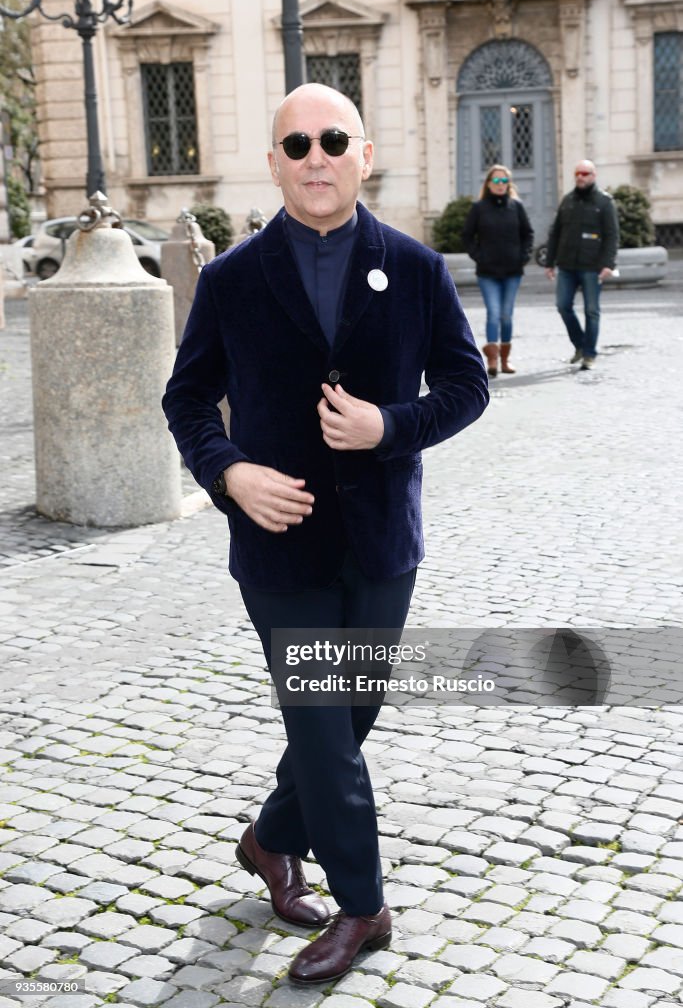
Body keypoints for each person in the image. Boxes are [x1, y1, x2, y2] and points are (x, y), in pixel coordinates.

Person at [162, 83, 489, 985]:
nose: (316, 157)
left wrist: (390, 427)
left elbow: (466, 387)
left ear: (363, 155)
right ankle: (363, 906)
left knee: (347, 716)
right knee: (319, 720)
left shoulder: (416, 268)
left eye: (332, 140)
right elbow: (186, 397)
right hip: (279, 549)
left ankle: (270, 840)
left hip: (382, 539)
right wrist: (228, 473)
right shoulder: (231, 279)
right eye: (296, 144)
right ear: (273, 163)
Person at [545, 159, 619, 370]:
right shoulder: (568, 200)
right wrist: (550, 263)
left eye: (585, 173)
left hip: (592, 266)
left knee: (592, 311)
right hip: (567, 265)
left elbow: (612, 236)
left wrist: (608, 264)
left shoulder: (605, 202)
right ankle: (580, 345)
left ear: (593, 176)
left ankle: (589, 354)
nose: (580, 177)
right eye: (577, 173)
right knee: (563, 306)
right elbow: (556, 233)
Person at [462, 164, 534, 377]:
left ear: (508, 184)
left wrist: (523, 257)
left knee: (507, 315)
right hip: (487, 272)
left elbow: (528, 234)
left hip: (512, 271)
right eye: (496, 181)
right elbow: (467, 236)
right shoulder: (479, 208)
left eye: (504, 181)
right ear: (489, 184)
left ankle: (505, 358)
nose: (500, 185)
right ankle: (492, 358)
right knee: (494, 313)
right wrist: (479, 256)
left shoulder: (516, 207)